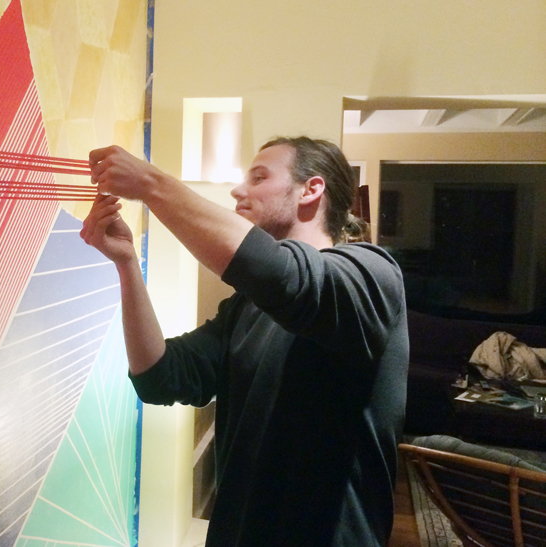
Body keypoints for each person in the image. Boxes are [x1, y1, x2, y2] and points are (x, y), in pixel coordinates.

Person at [80, 136, 408, 546]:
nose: (238, 190)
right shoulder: (246, 307)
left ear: (311, 189)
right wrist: (126, 262)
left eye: (258, 177)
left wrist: (151, 183)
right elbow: (159, 377)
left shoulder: (371, 274)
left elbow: (285, 278)